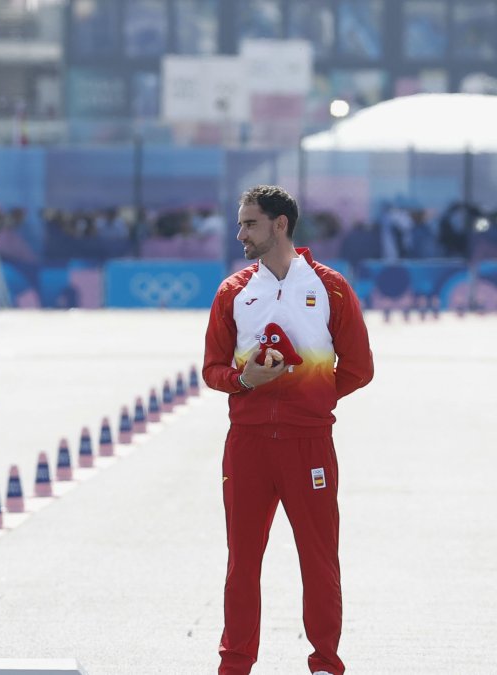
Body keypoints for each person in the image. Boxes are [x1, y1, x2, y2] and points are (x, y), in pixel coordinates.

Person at [203, 185, 373, 675]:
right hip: (248, 445)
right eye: (239, 223)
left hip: (309, 443)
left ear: (280, 225)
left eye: (249, 224)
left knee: (319, 560)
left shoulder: (330, 287)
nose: (240, 234)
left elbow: (359, 368)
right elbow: (212, 369)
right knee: (242, 563)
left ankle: (324, 663)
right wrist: (243, 380)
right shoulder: (234, 292)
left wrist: (310, 397)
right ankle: (235, 665)